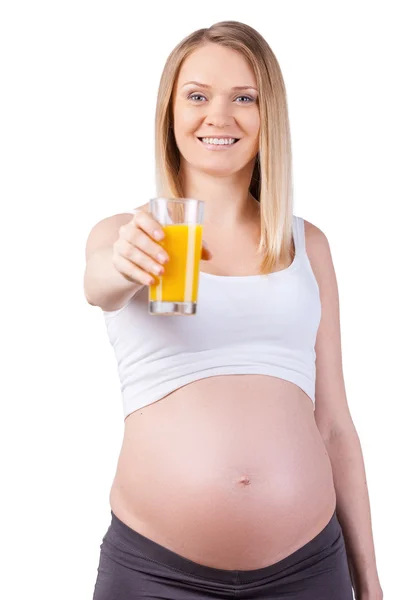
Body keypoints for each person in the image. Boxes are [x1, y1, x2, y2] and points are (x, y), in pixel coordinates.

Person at [85, 20, 382, 600]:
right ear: (170, 113)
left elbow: (336, 425)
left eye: (243, 98)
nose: (218, 116)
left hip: (309, 571)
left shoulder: (307, 246)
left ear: (268, 114)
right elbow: (99, 285)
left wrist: (369, 579)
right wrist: (124, 263)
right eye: (197, 96)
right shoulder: (131, 234)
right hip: (155, 574)